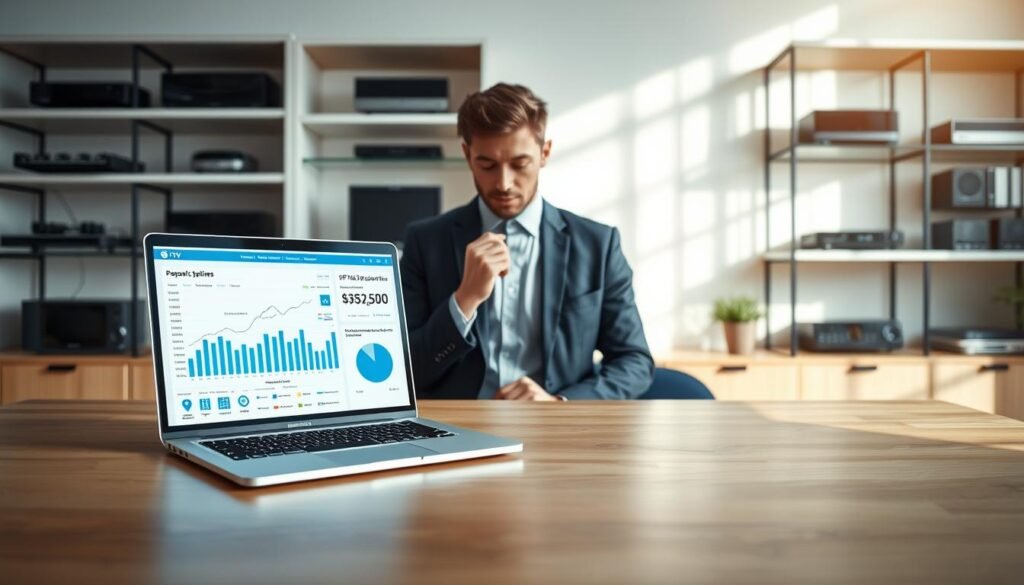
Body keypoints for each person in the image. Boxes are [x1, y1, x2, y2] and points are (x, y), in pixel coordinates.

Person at [399, 83, 653, 400]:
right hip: (458, 427)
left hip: (557, 429)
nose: (504, 183)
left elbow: (634, 361)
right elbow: (405, 370)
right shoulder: (425, 242)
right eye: (487, 165)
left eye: (520, 164)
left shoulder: (598, 246)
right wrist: (464, 300)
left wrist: (560, 405)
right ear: (467, 155)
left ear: (544, 152)